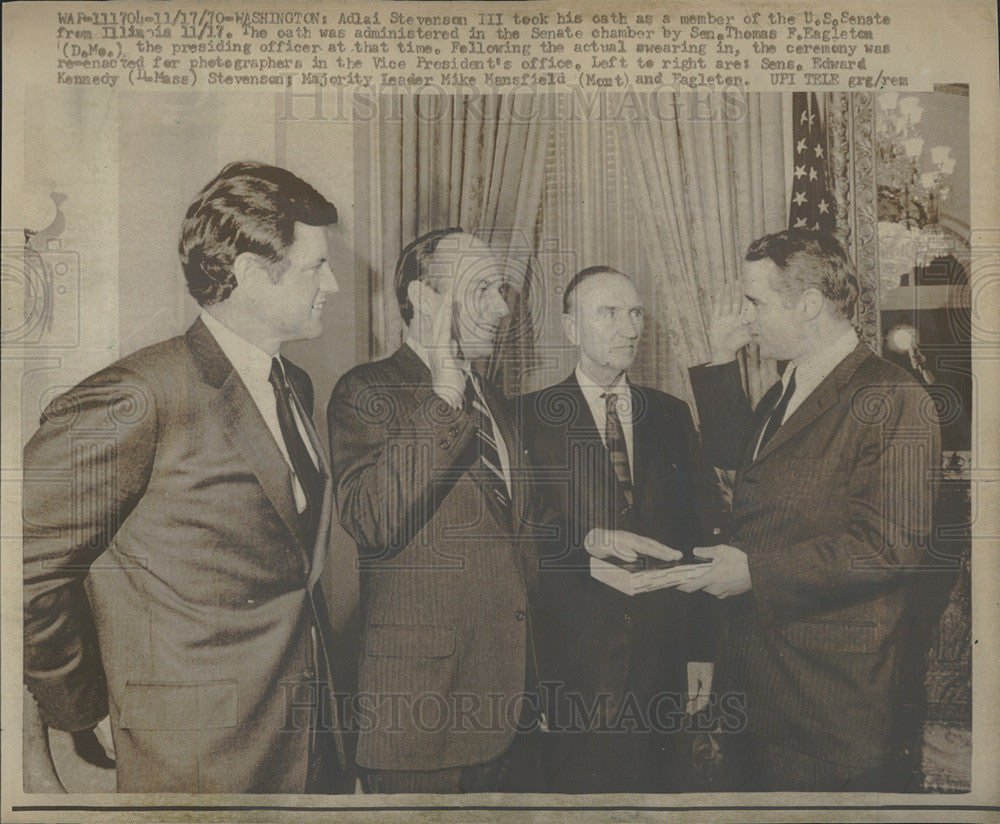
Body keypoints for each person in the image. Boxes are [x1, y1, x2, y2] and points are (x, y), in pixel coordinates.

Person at [22, 161, 355, 793]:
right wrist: (82, 704)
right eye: (317, 266)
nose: (333, 284)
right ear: (254, 272)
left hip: (308, 750)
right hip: (200, 762)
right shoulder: (137, 398)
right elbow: (22, 562)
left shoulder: (295, 384)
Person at [682, 228, 940, 791]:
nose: (747, 318)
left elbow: (888, 547)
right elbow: (748, 471)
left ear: (808, 304)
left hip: (829, 707)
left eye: (756, 301)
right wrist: (720, 361)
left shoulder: (894, 397)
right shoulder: (787, 386)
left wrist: (754, 572)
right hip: (760, 686)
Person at [327, 229, 546, 793]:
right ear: (425, 299)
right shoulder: (366, 390)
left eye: (502, 291)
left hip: (507, 715)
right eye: (482, 291)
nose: (502, 308)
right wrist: (444, 397)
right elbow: (372, 519)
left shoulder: (492, 396)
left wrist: (589, 540)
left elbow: (507, 533)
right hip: (420, 725)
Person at [515, 266, 722, 793]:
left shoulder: (673, 415)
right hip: (568, 670)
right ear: (571, 327)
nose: (629, 329)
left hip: (663, 663)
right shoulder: (525, 420)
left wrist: (702, 647)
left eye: (635, 313)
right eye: (609, 313)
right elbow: (520, 541)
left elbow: (703, 534)